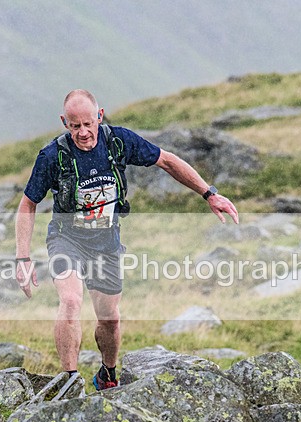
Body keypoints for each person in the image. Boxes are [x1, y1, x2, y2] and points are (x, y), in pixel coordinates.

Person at [15, 89, 238, 391]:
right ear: (64, 123)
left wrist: (209, 194)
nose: (83, 132)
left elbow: (168, 161)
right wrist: (23, 258)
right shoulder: (53, 156)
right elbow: (28, 204)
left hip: (106, 243)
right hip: (66, 238)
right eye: (75, 126)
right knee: (70, 300)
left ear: (100, 116)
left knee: (109, 319)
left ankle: (107, 374)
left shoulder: (118, 142)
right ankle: (68, 381)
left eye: (88, 124)